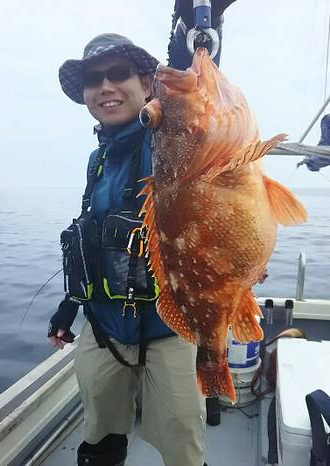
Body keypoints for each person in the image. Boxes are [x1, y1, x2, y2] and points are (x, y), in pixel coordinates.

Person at [48, 2, 236, 465]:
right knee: (99, 432)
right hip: (102, 328)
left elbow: (197, 112)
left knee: (182, 443)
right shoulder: (96, 160)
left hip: (169, 329)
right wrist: (69, 305)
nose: (106, 87)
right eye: (94, 79)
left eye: (118, 73)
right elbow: (93, 236)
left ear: (146, 84)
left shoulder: (165, 138)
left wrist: (192, 35)